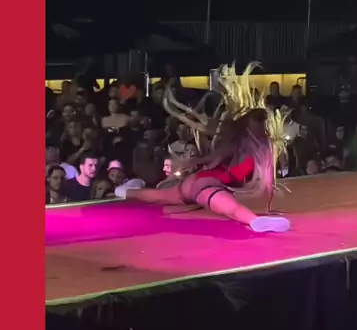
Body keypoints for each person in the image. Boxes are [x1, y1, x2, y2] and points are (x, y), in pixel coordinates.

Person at [116, 63, 291, 233]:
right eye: (259, 119)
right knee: (224, 204)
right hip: (208, 182)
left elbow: (268, 180)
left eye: (263, 120)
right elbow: (213, 158)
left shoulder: (265, 147)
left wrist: (269, 206)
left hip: (204, 182)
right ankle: (254, 221)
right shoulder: (238, 143)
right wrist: (191, 163)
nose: (263, 123)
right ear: (247, 123)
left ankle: (125, 191)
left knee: (161, 196)